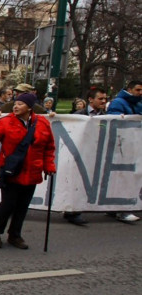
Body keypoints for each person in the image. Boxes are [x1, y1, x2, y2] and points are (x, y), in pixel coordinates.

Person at [0, 93, 56, 249]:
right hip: (11, 172)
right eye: (15, 103)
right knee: (7, 205)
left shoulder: (43, 124)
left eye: (20, 104)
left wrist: (49, 166)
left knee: (22, 206)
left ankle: (15, 235)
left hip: (32, 172)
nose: (16, 106)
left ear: (29, 107)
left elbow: (48, 148)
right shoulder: (6, 122)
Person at [62, 87, 109, 226]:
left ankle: (78, 208)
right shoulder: (79, 115)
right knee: (76, 182)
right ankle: (72, 212)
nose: (103, 101)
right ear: (90, 99)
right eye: (100, 98)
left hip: (94, 154)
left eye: (105, 99)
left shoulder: (106, 115)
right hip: (78, 154)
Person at [104, 80, 141, 223]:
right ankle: (122, 209)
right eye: (138, 90)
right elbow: (114, 122)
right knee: (123, 177)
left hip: (134, 146)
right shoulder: (118, 103)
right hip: (122, 146)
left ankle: (116, 208)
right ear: (130, 89)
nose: (140, 93)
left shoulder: (137, 103)